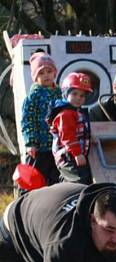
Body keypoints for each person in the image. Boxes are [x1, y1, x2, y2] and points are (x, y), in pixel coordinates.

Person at [20, 51, 61, 187]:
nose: (46, 76)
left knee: (56, 179)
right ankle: (28, 203)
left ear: (55, 73)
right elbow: (27, 120)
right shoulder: (33, 96)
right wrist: (30, 142)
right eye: (41, 73)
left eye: (49, 71)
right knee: (35, 180)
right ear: (35, 77)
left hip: (57, 147)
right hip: (38, 148)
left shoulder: (60, 93)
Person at [46, 72, 93, 185]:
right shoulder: (66, 114)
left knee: (71, 179)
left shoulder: (75, 112)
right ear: (66, 94)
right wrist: (77, 154)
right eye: (75, 94)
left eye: (82, 95)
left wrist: (91, 139)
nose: (78, 98)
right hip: (68, 156)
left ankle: (63, 192)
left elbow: (80, 132)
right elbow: (67, 136)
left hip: (72, 155)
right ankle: (75, 201)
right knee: (80, 181)